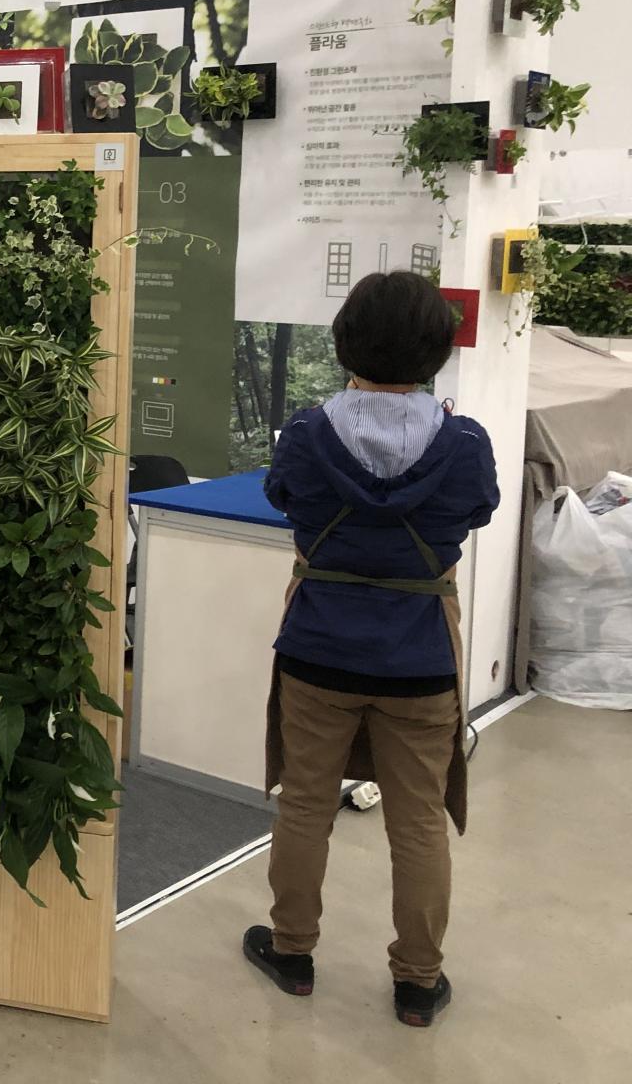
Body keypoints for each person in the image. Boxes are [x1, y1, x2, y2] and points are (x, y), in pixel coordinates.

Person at [243, 271, 498, 1028]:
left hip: (317, 650)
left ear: (345, 341)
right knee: (418, 824)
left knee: (305, 806)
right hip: (420, 661)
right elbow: (479, 508)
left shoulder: (305, 434)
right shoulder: (464, 443)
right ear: (436, 349)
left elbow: (283, 497)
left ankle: (292, 953)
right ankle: (418, 983)